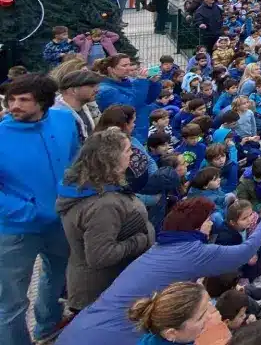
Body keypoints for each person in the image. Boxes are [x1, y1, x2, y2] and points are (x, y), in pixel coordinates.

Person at [55, 197, 261, 345]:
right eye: (208, 221)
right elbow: (244, 252)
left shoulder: (162, 247)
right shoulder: (192, 252)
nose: (211, 224)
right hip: (113, 337)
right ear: (197, 227)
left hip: (83, 327)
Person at [0, 74, 80, 345]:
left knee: (56, 279)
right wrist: (27, 211)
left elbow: (74, 163)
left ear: (44, 102)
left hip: (59, 222)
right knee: (11, 300)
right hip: (15, 230)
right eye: (11, 99)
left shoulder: (65, 120)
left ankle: (46, 331)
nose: (14, 106)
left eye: (23, 100)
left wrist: (74, 197)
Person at [56, 128, 155, 314]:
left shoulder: (97, 187)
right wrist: (142, 239)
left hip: (108, 287)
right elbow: (101, 256)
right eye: (127, 150)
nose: (132, 154)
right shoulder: (103, 205)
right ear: (111, 158)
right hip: (100, 293)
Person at [95, 54, 161, 144]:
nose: (129, 68)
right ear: (111, 69)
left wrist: (153, 83)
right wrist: (141, 81)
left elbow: (147, 100)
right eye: (124, 65)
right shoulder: (106, 90)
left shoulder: (130, 82)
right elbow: (130, 106)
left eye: (129, 65)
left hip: (140, 133)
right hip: (123, 138)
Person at [129, 281, 214, 345]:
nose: (209, 316)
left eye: (207, 306)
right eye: (200, 318)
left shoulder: (153, 335)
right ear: (171, 334)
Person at [53, 69, 103, 143]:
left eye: (97, 86)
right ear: (74, 90)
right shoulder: (57, 116)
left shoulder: (85, 106)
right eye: (92, 86)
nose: (97, 90)